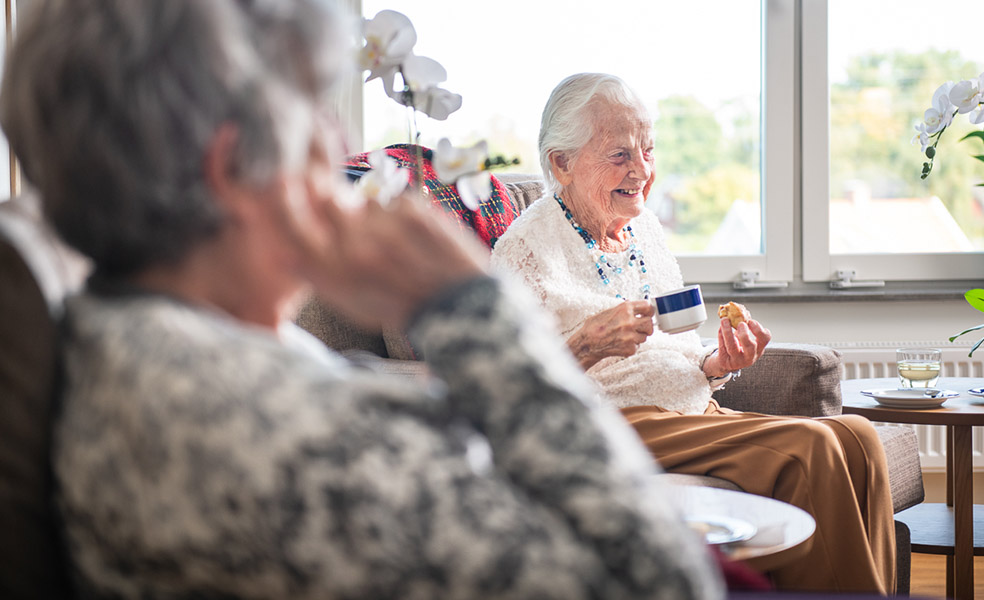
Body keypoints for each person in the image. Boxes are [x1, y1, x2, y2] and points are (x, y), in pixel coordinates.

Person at [0, 3, 726, 598]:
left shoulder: (144, 332)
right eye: (315, 116)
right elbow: (662, 583)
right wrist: (473, 309)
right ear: (232, 168)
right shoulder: (258, 427)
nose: (341, 145)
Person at [491, 73, 896, 595]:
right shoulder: (524, 249)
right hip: (611, 420)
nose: (642, 170)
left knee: (859, 437)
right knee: (810, 445)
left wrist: (717, 362)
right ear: (561, 163)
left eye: (649, 150)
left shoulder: (644, 231)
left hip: (689, 411)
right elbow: (503, 391)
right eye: (620, 155)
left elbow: (674, 348)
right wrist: (585, 346)